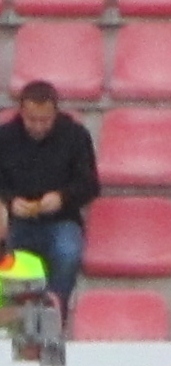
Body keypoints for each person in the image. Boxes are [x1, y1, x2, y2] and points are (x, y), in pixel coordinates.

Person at [0, 81, 99, 319]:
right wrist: (10, 201)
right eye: (32, 120)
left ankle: (54, 315)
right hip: (17, 222)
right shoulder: (4, 138)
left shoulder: (75, 136)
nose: (38, 126)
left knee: (68, 252)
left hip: (62, 219)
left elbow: (90, 184)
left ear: (55, 112)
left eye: (45, 120)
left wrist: (62, 198)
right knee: (11, 259)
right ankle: (18, 320)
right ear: (21, 112)